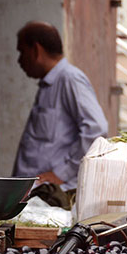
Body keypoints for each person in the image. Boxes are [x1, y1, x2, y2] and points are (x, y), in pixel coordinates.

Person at [13, 21, 108, 209]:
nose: (20, 60)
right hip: (34, 195)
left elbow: (96, 128)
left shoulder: (69, 79)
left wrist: (61, 173)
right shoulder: (49, 83)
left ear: (36, 50)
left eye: (22, 52)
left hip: (50, 197)